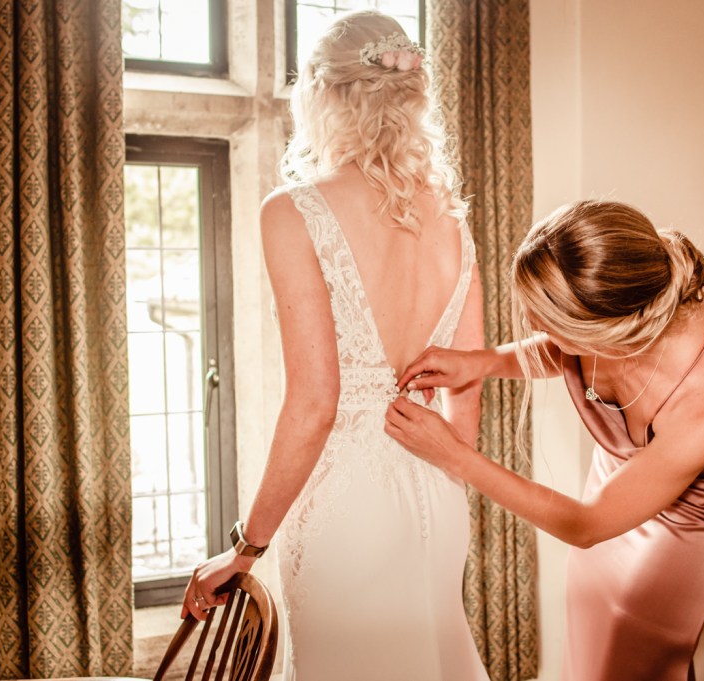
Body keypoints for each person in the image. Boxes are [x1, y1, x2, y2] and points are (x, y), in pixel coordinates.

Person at [179, 11, 489, 681]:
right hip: (437, 492)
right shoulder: (451, 220)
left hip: (349, 504)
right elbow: (468, 392)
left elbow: (316, 401)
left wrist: (246, 546)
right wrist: (439, 466)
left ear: (322, 92)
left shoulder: (294, 210)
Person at [386, 200, 704, 681]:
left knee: (637, 661)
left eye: (551, 323)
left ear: (607, 329)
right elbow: (572, 349)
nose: (539, 330)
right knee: (593, 640)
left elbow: (587, 524)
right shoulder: (625, 303)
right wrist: (481, 362)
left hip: (688, 524)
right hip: (614, 484)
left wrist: (455, 456)